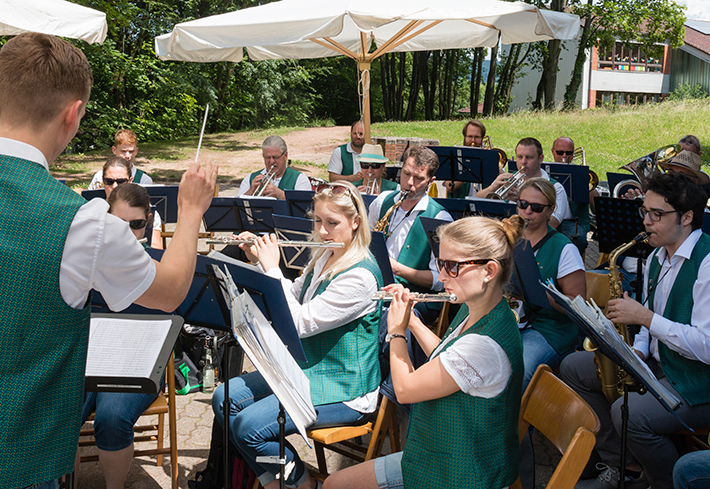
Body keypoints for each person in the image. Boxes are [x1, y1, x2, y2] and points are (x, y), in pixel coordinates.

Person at [0, 32, 217, 489]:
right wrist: (193, 208)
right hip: (21, 458)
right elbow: (172, 287)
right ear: (73, 114)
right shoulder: (81, 223)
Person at [323, 214, 526, 489]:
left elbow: (405, 389)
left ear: (489, 271)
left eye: (452, 266)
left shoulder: (483, 345)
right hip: (441, 455)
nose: (441, 276)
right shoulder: (478, 308)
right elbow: (447, 356)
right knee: (336, 484)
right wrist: (414, 322)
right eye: (441, 263)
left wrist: (396, 331)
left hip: (462, 474)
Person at [212, 181, 383, 489]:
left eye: (333, 223)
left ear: (355, 223)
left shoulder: (360, 277)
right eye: (318, 221)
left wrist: (273, 267)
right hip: (309, 370)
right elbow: (290, 294)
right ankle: (274, 477)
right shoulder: (324, 257)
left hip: (345, 387)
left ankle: (300, 483)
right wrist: (256, 261)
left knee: (250, 427)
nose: (323, 231)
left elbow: (298, 323)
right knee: (224, 398)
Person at [561, 172, 710, 489]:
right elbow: (650, 315)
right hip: (661, 363)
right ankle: (623, 465)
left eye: (657, 214)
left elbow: (706, 346)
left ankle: (665, 481)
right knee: (573, 367)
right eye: (645, 211)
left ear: (687, 217)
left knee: (629, 413)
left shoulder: (707, 264)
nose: (646, 221)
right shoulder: (658, 254)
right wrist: (638, 350)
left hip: (699, 382)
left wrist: (644, 318)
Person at [76, 183, 161, 488]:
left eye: (136, 225)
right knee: (62, 412)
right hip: (91, 353)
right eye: (119, 224)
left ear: (147, 221)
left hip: (139, 358)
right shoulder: (86, 258)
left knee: (111, 419)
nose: (128, 233)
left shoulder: (158, 264)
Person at [516, 178, 585, 390]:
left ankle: (514, 422)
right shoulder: (509, 236)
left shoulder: (564, 249)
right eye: (522, 204)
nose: (527, 211)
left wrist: (536, 292)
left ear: (551, 210)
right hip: (511, 319)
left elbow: (577, 305)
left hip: (550, 328)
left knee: (522, 367)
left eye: (536, 207)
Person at [368, 146, 452, 295]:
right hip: (372, 287)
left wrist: (397, 269)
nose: (409, 183)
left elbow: (441, 280)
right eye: (406, 174)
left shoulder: (440, 219)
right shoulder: (382, 201)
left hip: (413, 299)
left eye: (418, 178)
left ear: (431, 181)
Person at [477, 137, 572, 228]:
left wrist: (521, 201)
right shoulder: (508, 179)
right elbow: (475, 202)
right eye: (519, 157)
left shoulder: (556, 188)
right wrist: (492, 187)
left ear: (540, 159)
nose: (523, 162)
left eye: (529, 157)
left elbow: (552, 224)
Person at [100, 156, 162, 249]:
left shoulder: (144, 207)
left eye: (121, 181)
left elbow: (156, 248)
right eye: (109, 181)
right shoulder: (95, 211)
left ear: (130, 180)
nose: (114, 186)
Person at [550, 136, 598, 255]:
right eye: (560, 153)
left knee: (577, 240)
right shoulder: (546, 171)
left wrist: (587, 186)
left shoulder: (580, 173)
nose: (564, 157)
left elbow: (596, 203)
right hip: (548, 218)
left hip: (572, 221)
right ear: (552, 152)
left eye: (569, 153)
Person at [237, 135, 311, 198]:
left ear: (285, 156)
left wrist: (280, 194)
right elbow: (236, 206)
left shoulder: (300, 179)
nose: (271, 162)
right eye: (267, 157)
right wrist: (250, 191)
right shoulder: (250, 179)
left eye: (275, 157)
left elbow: (304, 207)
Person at [88, 129, 153, 189]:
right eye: (123, 151)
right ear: (114, 150)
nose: (127, 156)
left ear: (136, 151)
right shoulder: (99, 176)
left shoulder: (144, 180)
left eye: (131, 151)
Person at [445, 119, 486, 198]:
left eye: (477, 137)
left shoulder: (489, 157)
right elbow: (449, 187)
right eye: (470, 136)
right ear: (465, 137)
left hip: (484, 207)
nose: (473, 140)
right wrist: (469, 169)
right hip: (460, 205)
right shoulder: (454, 157)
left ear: (482, 139)